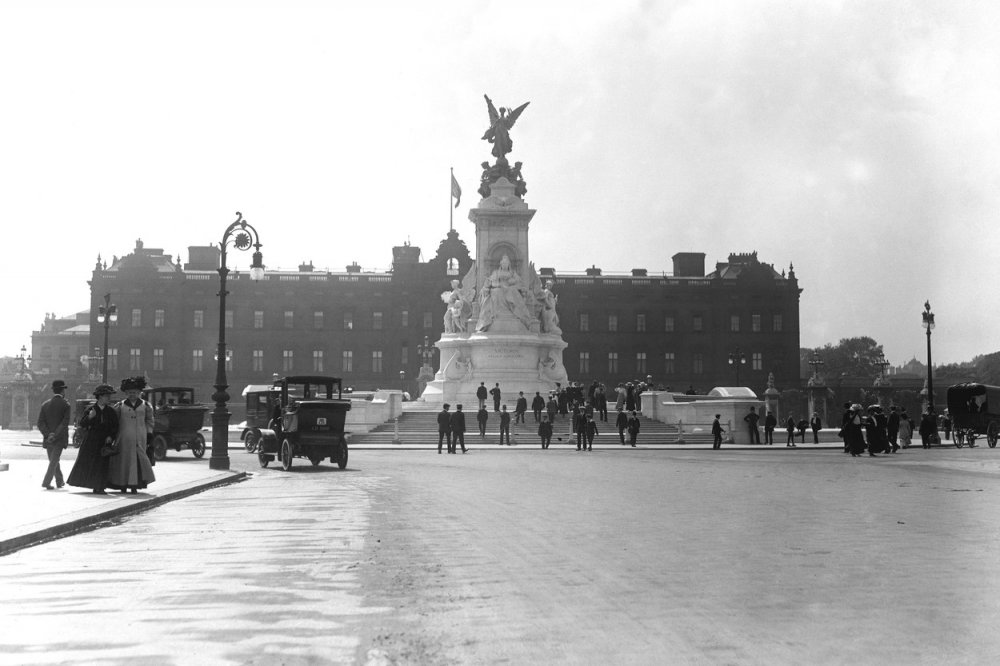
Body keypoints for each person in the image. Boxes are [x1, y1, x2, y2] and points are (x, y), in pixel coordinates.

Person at [67, 383, 119, 494]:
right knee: (91, 463)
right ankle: (92, 484)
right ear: (100, 397)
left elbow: (115, 426)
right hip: (91, 440)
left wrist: (111, 436)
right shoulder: (91, 409)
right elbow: (83, 424)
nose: (109, 398)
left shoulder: (111, 411)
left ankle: (100, 486)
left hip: (104, 441)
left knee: (102, 464)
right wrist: (90, 417)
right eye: (107, 396)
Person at [109, 376, 155, 494]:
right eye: (129, 393)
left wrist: (149, 433)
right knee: (123, 461)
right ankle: (122, 484)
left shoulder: (146, 406)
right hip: (123, 438)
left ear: (140, 392)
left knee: (138, 460)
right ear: (126, 393)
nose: (132, 395)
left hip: (140, 437)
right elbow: (114, 422)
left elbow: (150, 421)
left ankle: (136, 484)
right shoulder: (120, 406)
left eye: (134, 392)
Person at [37, 379, 71, 490]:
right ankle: (46, 482)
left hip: (48, 438)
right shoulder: (66, 405)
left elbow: (40, 423)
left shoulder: (45, 404)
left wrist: (48, 434)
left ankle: (59, 481)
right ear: (62, 391)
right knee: (54, 461)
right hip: (59, 438)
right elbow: (64, 423)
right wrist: (55, 435)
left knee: (54, 460)